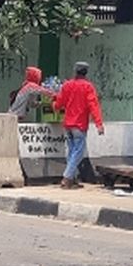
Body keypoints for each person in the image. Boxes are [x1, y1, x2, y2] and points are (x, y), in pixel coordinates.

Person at [53, 61, 105, 189]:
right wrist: (99, 124)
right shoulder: (88, 87)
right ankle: (67, 177)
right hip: (80, 124)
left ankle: (72, 179)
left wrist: (54, 105)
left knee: (71, 151)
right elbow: (93, 106)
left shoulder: (67, 85)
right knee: (78, 152)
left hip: (68, 124)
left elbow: (59, 102)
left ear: (75, 71)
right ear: (86, 73)